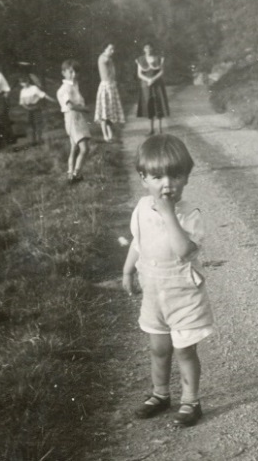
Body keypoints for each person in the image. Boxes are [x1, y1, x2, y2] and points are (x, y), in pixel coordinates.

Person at [122, 134, 213, 428]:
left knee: (184, 350)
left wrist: (168, 214)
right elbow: (138, 242)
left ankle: (191, 401)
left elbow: (185, 250)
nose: (167, 184)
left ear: (186, 178)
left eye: (175, 176)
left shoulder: (189, 214)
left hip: (183, 294)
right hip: (154, 293)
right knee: (158, 348)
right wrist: (127, 270)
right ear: (143, 178)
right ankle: (160, 394)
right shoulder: (140, 208)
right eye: (157, 176)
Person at [56, 59, 90, 183]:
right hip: (72, 117)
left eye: (76, 72)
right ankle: (76, 173)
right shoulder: (65, 88)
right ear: (63, 73)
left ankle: (71, 174)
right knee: (85, 149)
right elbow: (70, 105)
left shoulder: (73, 86)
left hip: (77, 117)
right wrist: (85, 109)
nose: (74, 75)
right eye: (70, 72)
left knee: (74, 148)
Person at [136, 44, 169, 135]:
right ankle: (151, 129)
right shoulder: (141, 59)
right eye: (146, 47)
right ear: (143, 49)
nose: (148, 49)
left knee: (159, 103)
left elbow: (161, 71)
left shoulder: (158, 58)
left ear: (152, 48)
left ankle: (160, 129)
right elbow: (139, 74)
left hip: (157, 84)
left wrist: (153, 79)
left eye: (150, 47)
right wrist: (148, 80)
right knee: (149, 104)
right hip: (146, 85)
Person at [94, 43, 125, 142]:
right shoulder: (103, 58)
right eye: (110, 49)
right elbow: (105, 63)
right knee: (104, 111)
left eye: (113, 49)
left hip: (111, 85)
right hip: (105, 86)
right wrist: (108, 56)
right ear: (105, 48)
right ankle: (105, 135)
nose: (112, 51)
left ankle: (110, 132)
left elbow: (112, 73)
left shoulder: (109, 59)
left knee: (109, 111)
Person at [19, 74, 56, 145]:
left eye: (25, 82)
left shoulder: (34, 88)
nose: (24, 84)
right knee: (30, 124)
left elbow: (43, 95)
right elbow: (22, 102)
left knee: (38, 123)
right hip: (28, 108)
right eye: (22, 83)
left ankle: (39, 139)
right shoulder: (22, 91)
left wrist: (52, 100)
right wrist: (27, 108)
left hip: (36, 107)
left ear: (28, 81)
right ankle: (33, 141)